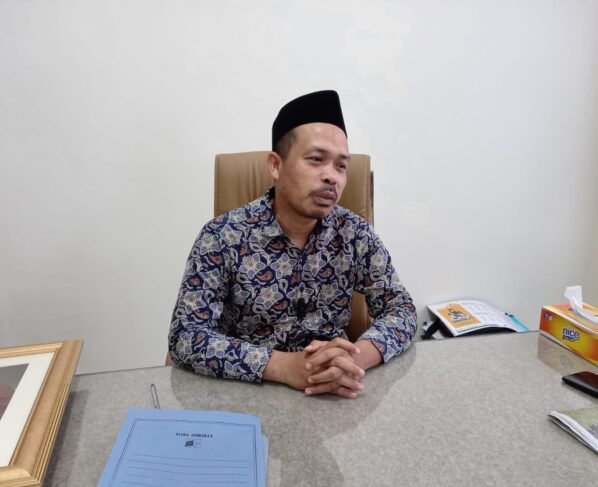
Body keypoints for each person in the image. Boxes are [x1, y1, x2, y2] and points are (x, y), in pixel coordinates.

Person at [168, 90, 417, 398]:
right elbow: (186, 336)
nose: (332, 177)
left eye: (341, 166)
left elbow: (402, 310)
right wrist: (283, 367)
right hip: (247, 394)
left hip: (335, 394)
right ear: (276, 165)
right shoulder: (222, 237)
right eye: (316, 160)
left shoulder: (354, 234)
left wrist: (354, 358)